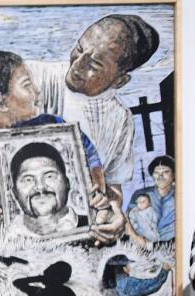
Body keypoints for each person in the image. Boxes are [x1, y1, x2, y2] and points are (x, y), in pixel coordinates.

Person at [26, 15, 161, 202]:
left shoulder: (120, 119)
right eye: (79, 49)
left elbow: (113, 188)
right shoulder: (28, 78)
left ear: (120, 81)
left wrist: (113, 213)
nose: (77, 66)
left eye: (95, 65)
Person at [0, 50, 104, 224]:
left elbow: (91, 157)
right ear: (0, 102)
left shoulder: (56, 126)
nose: (37, 89)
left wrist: (96, 193)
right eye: (27, 84)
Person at [128, 155, 177, 244]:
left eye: (165, 172)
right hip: (143, 243)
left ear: (173, 174)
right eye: (156, 173)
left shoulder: (180, 195)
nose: (160, 176)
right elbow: (127, 220)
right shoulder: (140, 194)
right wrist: (135, 237)